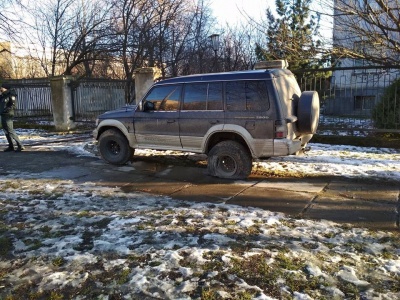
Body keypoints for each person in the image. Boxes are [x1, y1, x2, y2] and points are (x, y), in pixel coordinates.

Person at [0, 83, 25, 152]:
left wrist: (6, 110)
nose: (1, 88)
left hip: (8, 115)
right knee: (6, 131)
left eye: (2, 87)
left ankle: (20, 145)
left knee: (10, 131)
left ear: (6, 88)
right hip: (3, 114)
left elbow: (13, 106)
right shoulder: (3, 96)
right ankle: (11, 146)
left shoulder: (11, 95)